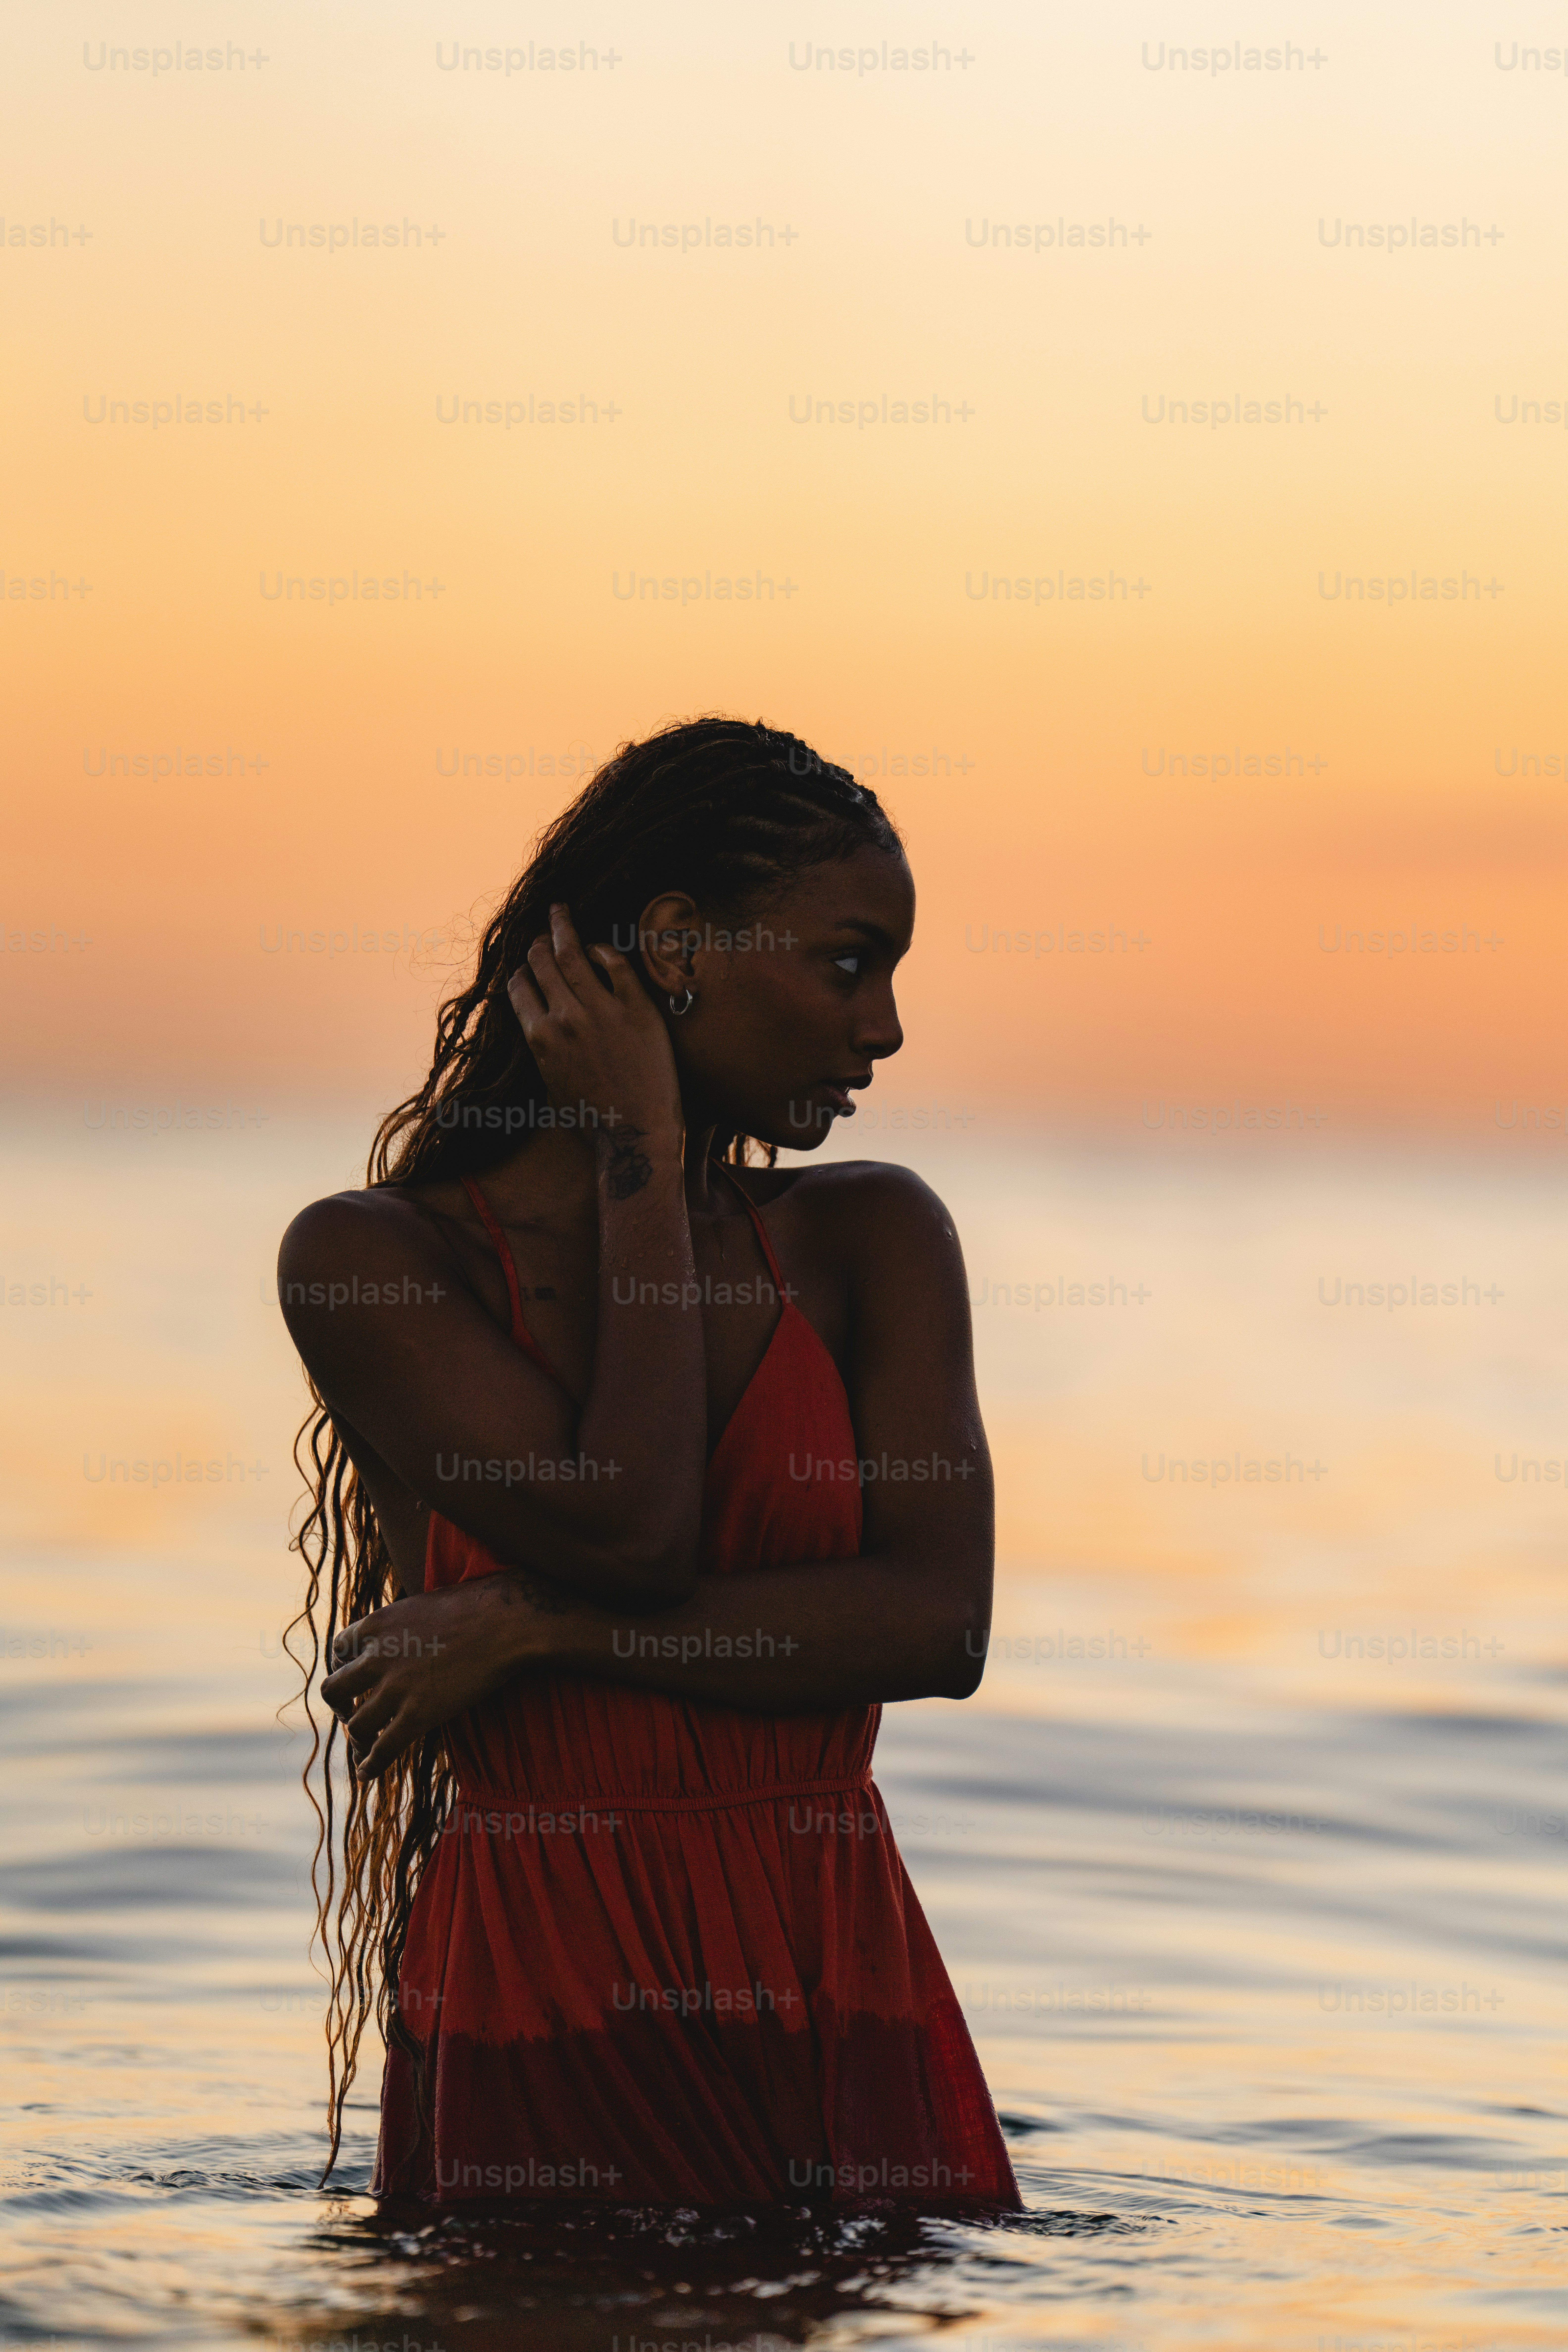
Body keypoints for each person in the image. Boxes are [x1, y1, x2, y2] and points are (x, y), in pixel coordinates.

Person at [279, 716, 1019, 2209]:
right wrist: (638, 1148)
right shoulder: (376, 1263)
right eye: (847, 961)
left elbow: (937, 1628)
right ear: (674, 943)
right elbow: (633, 1524)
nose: (882, 1031)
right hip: (547, 1985)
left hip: (832, 1963)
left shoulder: (875, 1239)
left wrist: (535, 1627)